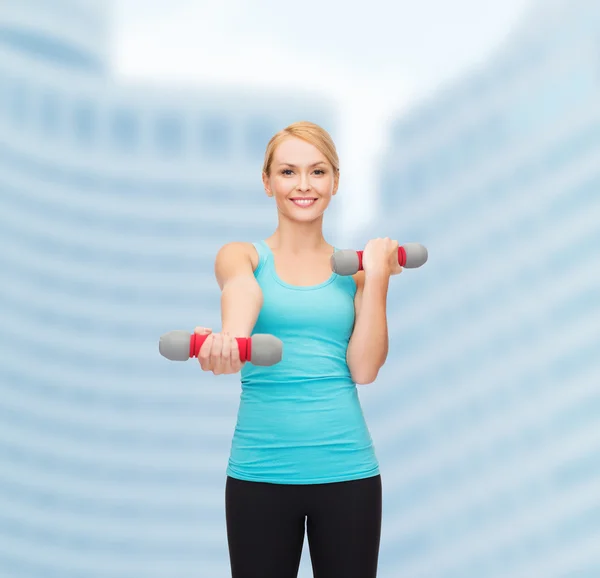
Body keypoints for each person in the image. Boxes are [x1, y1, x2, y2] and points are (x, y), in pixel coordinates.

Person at [195, 121, 402, 578]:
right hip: (259, 473)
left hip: (347, 472)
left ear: (335, 182)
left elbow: (364, 369)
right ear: (267, 182)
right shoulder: (241, 255)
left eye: (318, 171)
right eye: (288, 172)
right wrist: (233, 336)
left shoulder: (358, 273)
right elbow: (242, 290)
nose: (304, 185)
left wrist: (379, 277)